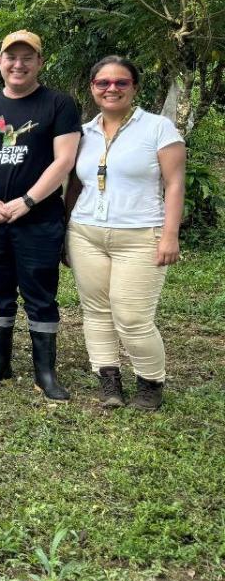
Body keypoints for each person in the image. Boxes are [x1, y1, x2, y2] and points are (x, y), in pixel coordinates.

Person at [0, 30, 81, 401]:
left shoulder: (59, 105)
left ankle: (45, 373)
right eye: (11, 57)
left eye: (27, 58)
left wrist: (27, 201)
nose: (18, 64)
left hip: (39, 217)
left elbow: (64, 160)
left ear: (39, 62)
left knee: (40, 293)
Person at [65, 56, 184, 411]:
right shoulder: (84, 133)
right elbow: (74, 185)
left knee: (133, 317)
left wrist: (170, 234)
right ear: (93, 88)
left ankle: (150, 382)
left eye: (121, 82)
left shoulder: (158, 128)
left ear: (134, 87)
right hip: (86, 232)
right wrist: (64, 231)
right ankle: (108, 379)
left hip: (140, 233)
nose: (111, 88)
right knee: (96, 311)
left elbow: (174, 184)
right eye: (103, 83)